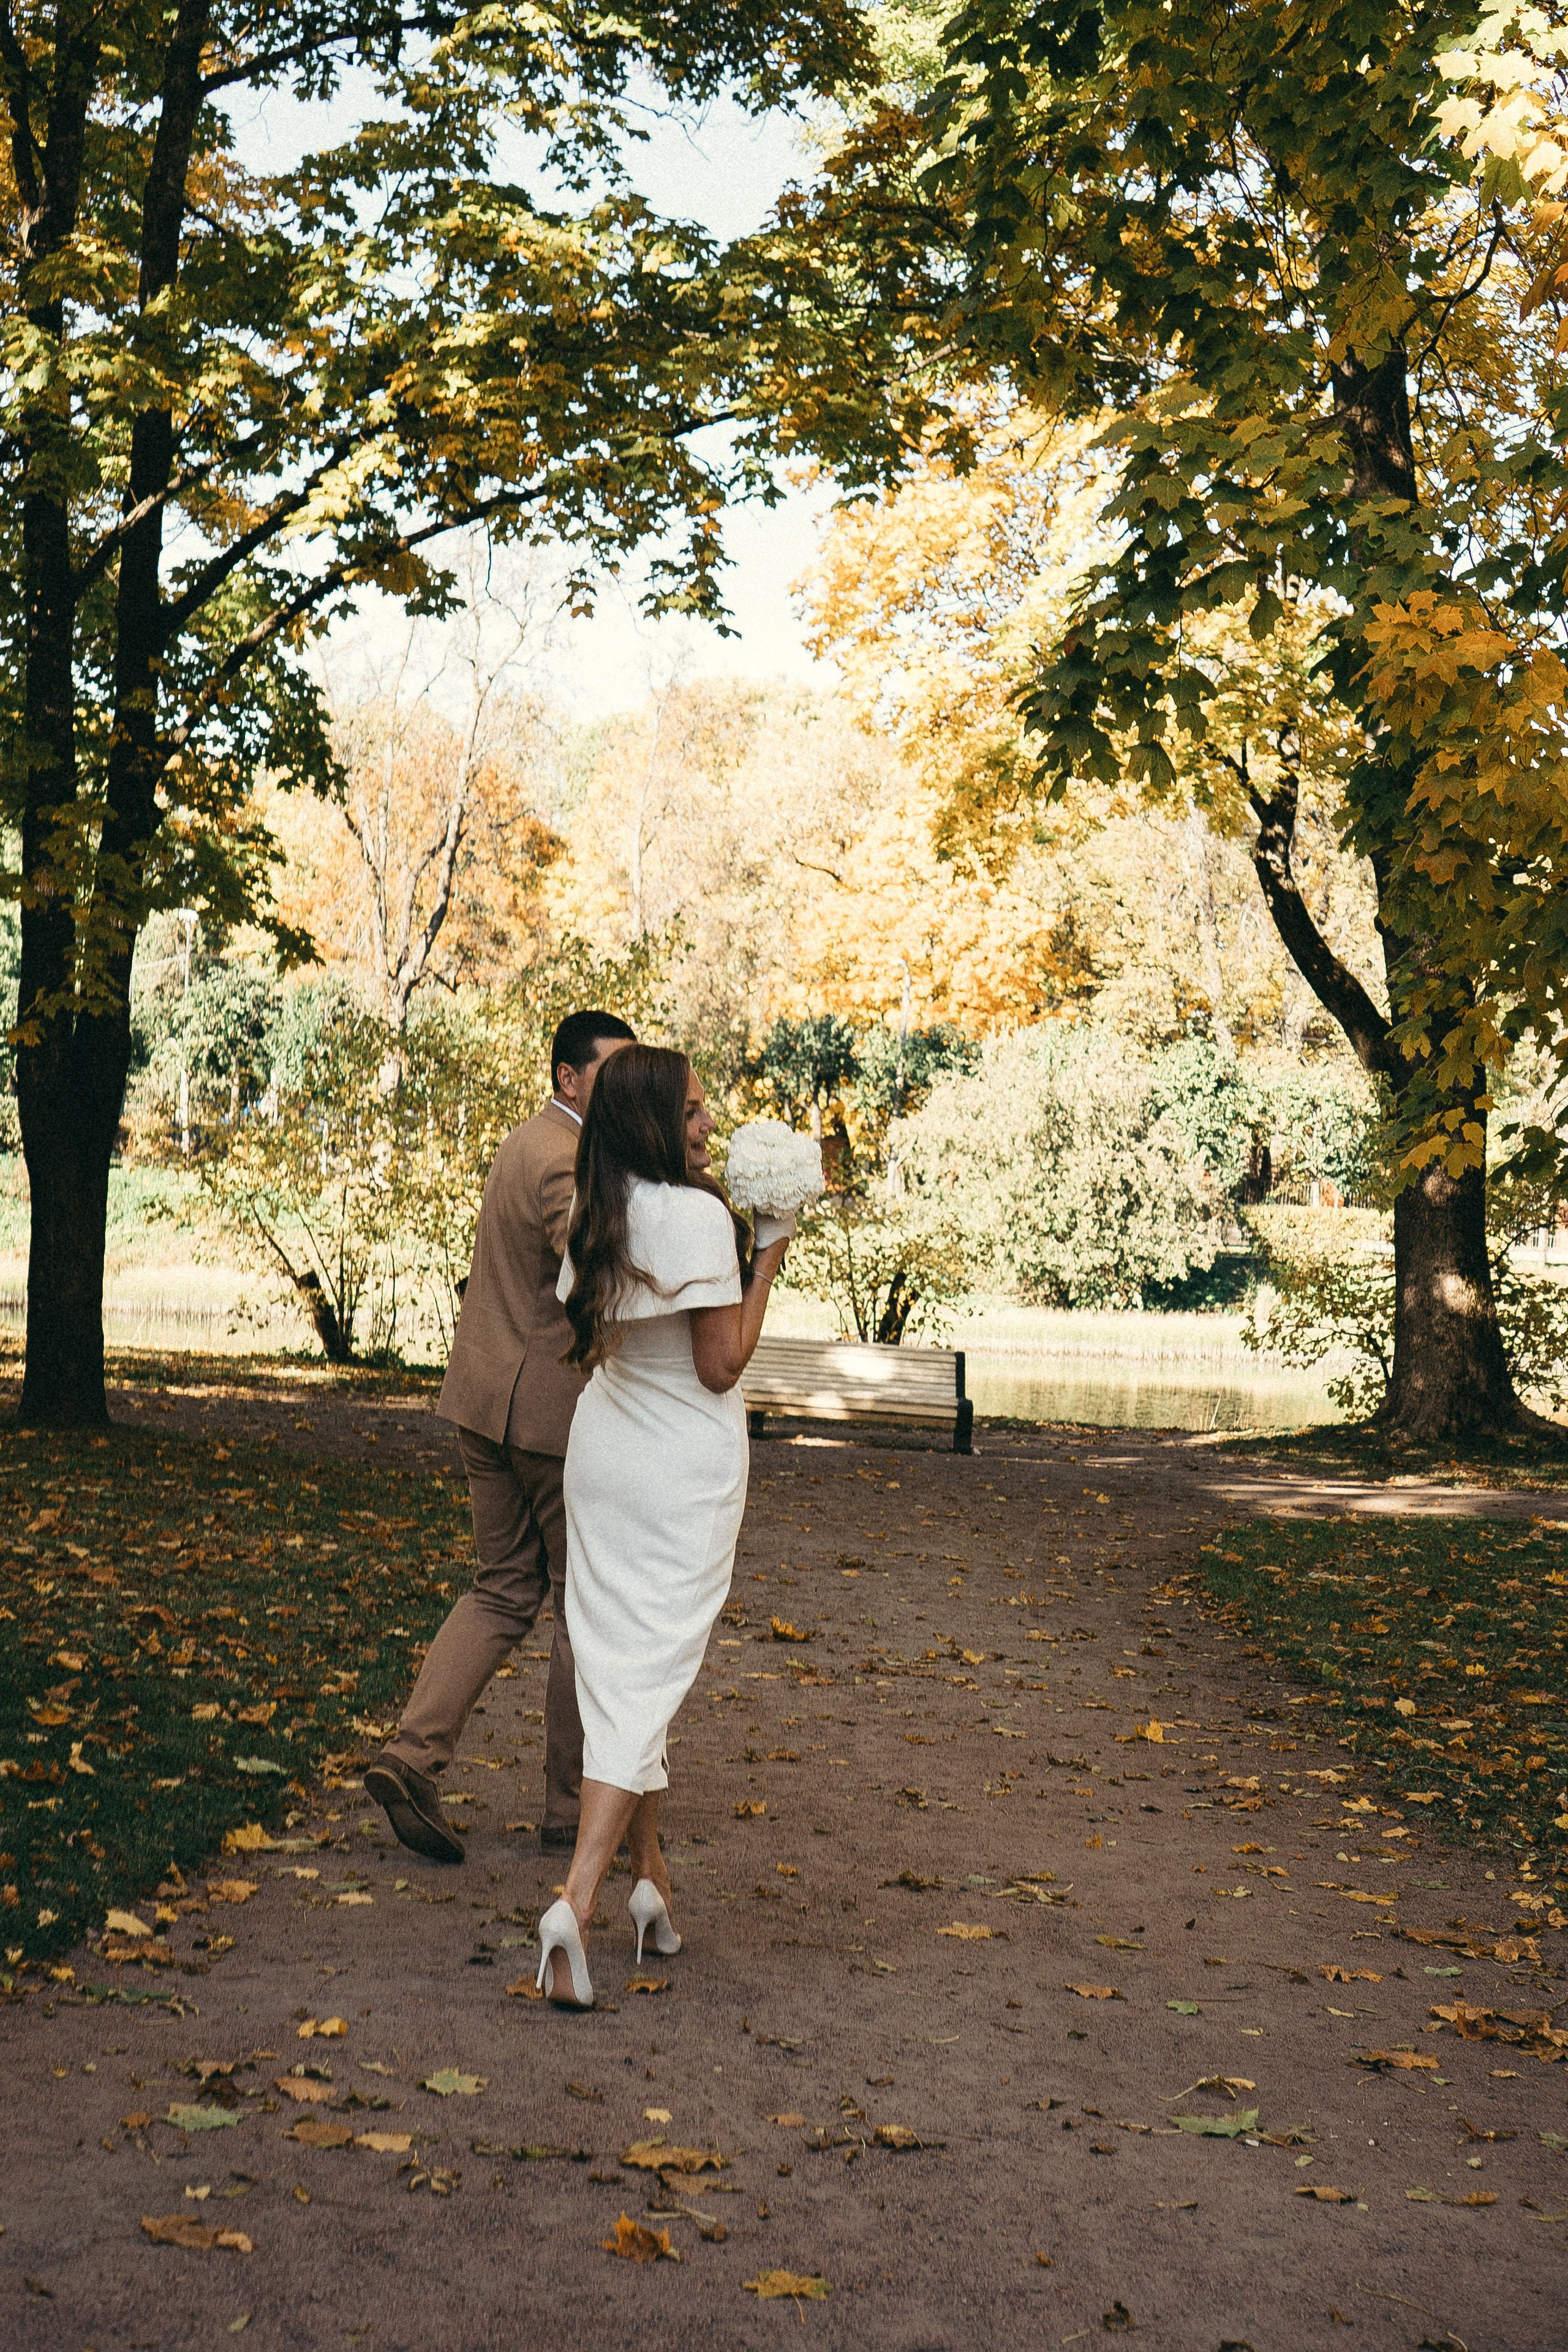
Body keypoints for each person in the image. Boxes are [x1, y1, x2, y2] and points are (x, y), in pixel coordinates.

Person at [534, 1044, 791, 2007]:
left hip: (606, 1449)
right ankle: (578, 1902)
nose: (708, 1126)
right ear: (651, 1121)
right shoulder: (695, 1218)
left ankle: (654, 1883)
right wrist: (767, 1251)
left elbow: (594, 1332)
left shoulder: (597, 1210)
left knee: (619, 1667)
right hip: (682, 1460)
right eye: (690, 1113)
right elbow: (724, 1365)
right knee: (646, 1678)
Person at [364, 1010, 636, 1863]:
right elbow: (587, 1263)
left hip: (481, 1403)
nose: (626, 1087)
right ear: (568, 1078)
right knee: (581, 1604)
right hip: (546, 1419)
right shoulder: (564, 1158)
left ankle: (411, 1755)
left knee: (501, 1590)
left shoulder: (526, 1142)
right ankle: (569, 1804)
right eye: (612, 1071)